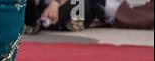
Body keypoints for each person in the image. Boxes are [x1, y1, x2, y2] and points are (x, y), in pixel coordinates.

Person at [25, 0, 154, 34]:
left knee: (131, 17)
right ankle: (36, 23)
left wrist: (55, 3)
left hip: (85, 9)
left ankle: (40, 23)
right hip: (50, 14)